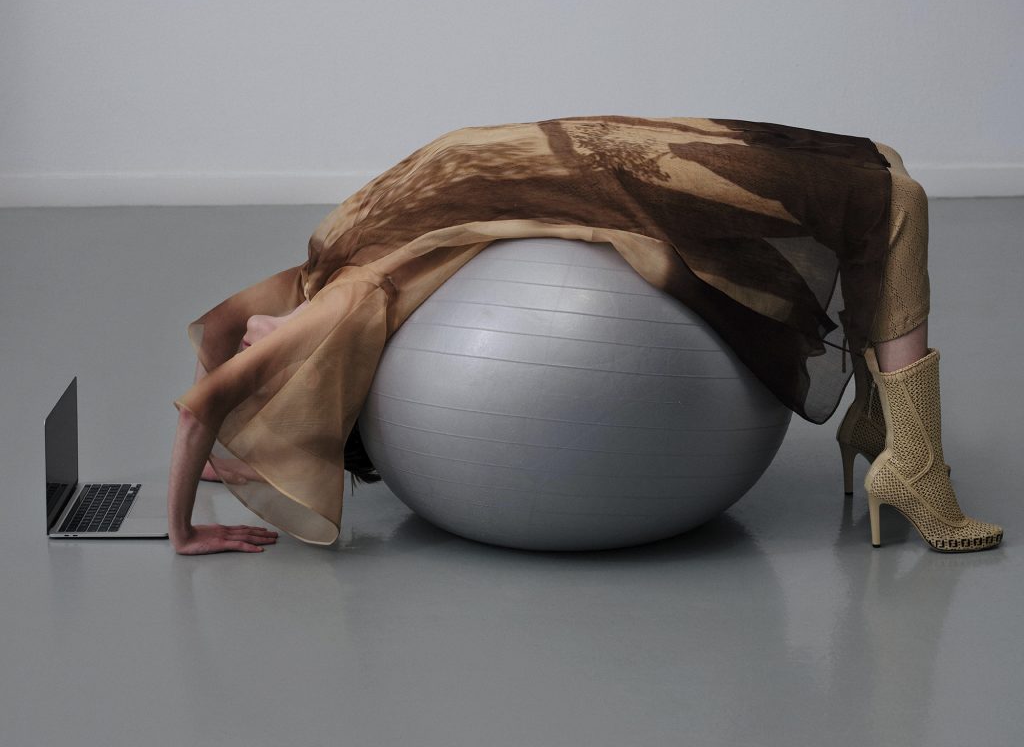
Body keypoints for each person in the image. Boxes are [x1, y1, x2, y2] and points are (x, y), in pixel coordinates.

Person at [166, 116, 1003, 556]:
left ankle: (892, 437)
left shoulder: (322, 268)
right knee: (888, 188)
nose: (255, 342)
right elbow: (206, 393)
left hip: (557, 163)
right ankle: (905, 452)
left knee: (881, 177)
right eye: (265, 366)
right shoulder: (336, 288)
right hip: (549, 166)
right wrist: (185, 526)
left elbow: (214, 359)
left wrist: (216, 460)